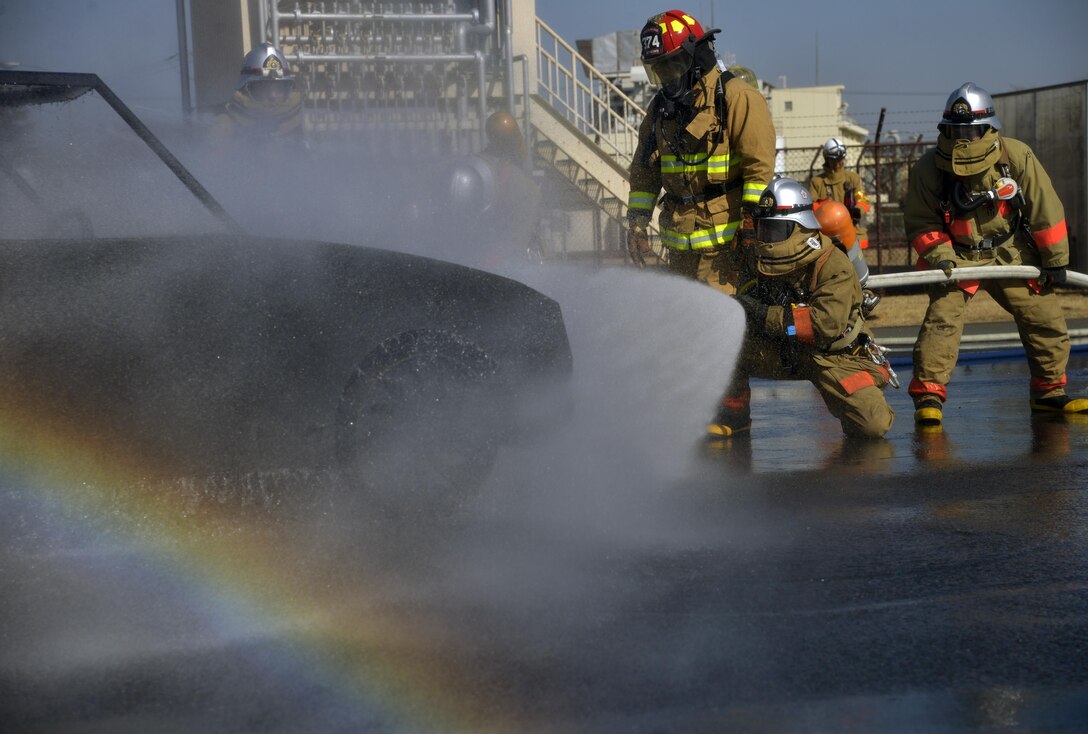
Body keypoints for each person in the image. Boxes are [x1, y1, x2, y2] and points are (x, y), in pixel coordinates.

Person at [904, 82, 1088, 426]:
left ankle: (1049, 393)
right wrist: (941, 255)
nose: (965, 139)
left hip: (1010, 252)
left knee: (1043, 316)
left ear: (990, 129)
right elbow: (920, 221)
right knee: (942, 320)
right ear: (945, 130)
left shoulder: (1015, 156)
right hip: (957, 258)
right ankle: (929, 397)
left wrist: (1055, 260)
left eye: (972, 131)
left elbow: (1044, 208)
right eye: (957, 130)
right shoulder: (929, 168)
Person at [716, 177, 896, 439]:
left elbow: (824, 325)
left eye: (776, 231)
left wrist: (764, 314)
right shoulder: (757, 259)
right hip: (782, 351)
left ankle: (854, 400)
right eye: (764, 229)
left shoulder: (832, 263)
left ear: (800, 227)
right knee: (724, 347)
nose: (767, 239)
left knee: (872, 424)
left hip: (832, 357)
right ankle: (734, 418)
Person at [626, 9, 776, 290]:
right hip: (678, 248)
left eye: (670, 66)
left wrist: (749, 223)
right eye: (658, 70)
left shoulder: (737, 97)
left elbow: (759, 168)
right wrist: (637, 222)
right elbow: (644, 174)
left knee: (721, 323)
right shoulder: (659, 110)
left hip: (725, 252)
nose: (666, 78)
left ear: (693, 57)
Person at [444, 110, 542, 268]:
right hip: (502, 264)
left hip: (463, 253)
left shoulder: (467, 166)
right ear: (515, 137)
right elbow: (516, 238)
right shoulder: (524, 187)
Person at [212, 43, 304, 147]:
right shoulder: (224, 126)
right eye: (264, 88)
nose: (272, 96)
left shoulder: (302, 121)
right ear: (246, 90)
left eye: (279, 88)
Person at [808, 137, 871, 250]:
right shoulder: (817, 182)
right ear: (827, 159)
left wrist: (857, 211)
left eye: (840, 159)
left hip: (851, 232)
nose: (838, 163)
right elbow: (810, 206)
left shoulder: (853, 178)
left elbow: (863, 200)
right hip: (826, 235)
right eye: (834, 159)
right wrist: (827, 215)